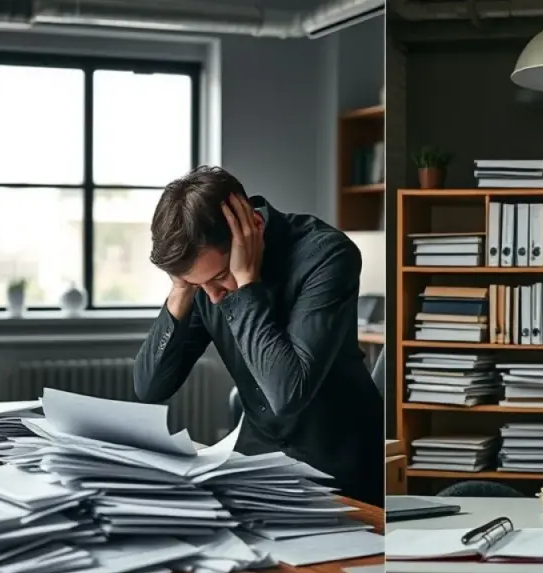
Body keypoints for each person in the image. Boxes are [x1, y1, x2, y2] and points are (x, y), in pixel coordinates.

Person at [134, 165, 384, 507]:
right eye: (197, 283)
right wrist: (181, 289)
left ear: (254, 228)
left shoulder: (327, 255)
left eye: (220, 276)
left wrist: (246, 286)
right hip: (256, 469)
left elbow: (287, 394)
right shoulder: (205, 282)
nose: (213, 295)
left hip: (343, 475)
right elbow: (150, 388)